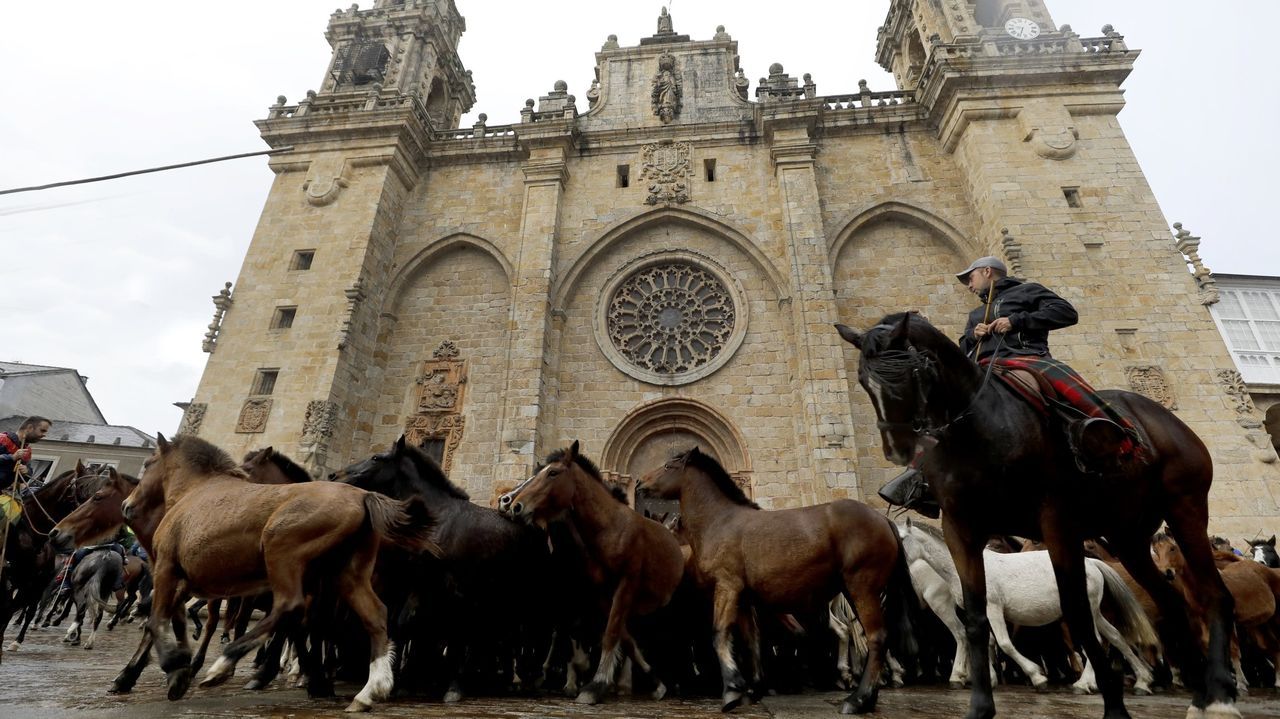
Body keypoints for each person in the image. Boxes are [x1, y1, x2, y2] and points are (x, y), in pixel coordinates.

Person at [879, 257, 1134, 515]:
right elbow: (963, 352)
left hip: (1025, 360)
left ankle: (1110, 437)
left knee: (1062, 384)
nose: (969, 285)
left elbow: (1066, 313)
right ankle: (920, 478)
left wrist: (1016, 321)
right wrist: (971, 335)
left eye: (971, 278)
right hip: (984, 368)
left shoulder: (1027, 291)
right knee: (943, 410)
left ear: (987, 272)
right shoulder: (976, 314)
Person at [1, 416, 52, 492]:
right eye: (42, 430)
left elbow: (25, 478)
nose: (44, 435)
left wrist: (26, 471)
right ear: (29, 428)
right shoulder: (2, 439)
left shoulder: (27, 451)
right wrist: (12, 457)